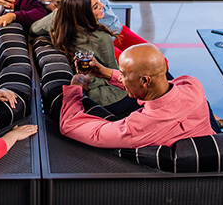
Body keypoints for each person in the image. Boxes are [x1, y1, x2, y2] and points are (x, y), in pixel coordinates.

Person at [58, 43, 214, 148]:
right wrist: (105, 73)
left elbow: (69, 125)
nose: (121, 78)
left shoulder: (137, 127)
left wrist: (76, 86)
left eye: (124, 74)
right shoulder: (192, 85)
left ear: (145, 81)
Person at [31, 0, 126, 109]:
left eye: (98, 1)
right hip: (104, 97)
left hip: (82, 88)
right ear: (83, 15)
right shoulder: (101, 38)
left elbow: (34, 29)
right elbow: (114, 76)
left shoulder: (58, 17)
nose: (102, 5)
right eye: (96, 6)